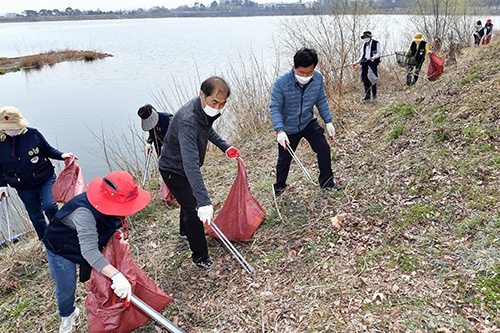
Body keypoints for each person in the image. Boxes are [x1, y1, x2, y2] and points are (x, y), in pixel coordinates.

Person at [43, 170, 150, 333]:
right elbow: (90, 251)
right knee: (66, 287)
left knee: (102, 272)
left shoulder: (110, 206)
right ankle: (68, 314)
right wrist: (116, 275)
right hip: (61, 247)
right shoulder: (84, 213)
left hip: (89, 241)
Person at [158, 76, 240, 271]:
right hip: (173, 170)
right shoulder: (188, 120)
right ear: (201, 94)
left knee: (188, 204)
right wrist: (203, 202)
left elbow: (206, 131)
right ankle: (200, 257)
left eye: (222, 104)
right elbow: (190, 165)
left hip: (182, 167)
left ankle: (184, 231)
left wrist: (225, 147)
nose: (218, 108)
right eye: (214, 102)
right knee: (194, 209)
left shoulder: (201, 110)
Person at [270, 47, 343, 197]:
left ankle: (327, 183)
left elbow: (321, 100)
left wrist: (328, 121)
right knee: (284, 160)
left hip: (307, 122)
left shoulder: (317, 78)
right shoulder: (281, 83)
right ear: (294, 67)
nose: (305, 76)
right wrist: (280, 130)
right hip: (288, 128)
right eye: (301, 72)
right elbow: (275, 107)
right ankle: (279, 188)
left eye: (309, 72)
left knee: (323, 149)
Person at [0, 106, 76, 240]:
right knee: (35, 215)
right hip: (22, 185)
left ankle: (60, 233)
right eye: (9, 128)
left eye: (15, 127)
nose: (13, 130)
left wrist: (62, 155)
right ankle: (46, 240)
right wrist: (2, 185)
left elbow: (48, 150)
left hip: (45, 178)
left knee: (50, 206)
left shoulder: (33, 134)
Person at [353, 31, 381, 102]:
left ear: (370, 37)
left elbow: (378, 53)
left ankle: (374, 96)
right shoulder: (364, 45)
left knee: (373, 79)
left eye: (366, 37)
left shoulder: (376, 43)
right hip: (364, 64)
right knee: (365, 80)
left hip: (372, 64)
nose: (365, 38)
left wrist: (373, 58)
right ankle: (367, 96)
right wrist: (356, 62)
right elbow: (362, 55)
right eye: (364, 37)